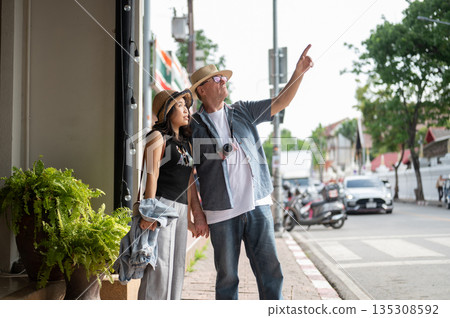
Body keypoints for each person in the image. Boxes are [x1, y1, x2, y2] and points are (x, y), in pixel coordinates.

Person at [188, 45, 313, 300]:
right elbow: (188, 174)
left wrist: (298, 73)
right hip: (221, 213)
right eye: (217, 79)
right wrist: (197, 213)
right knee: (227, 278)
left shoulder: (242, 111)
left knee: (270, 272)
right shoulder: (193, 127)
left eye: (223, 78)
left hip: (257, 205)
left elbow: (281, 101)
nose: (224, 82)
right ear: (202, 89)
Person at [137, 89, 199, 300]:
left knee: (176, 266)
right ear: (167, 112)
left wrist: (189, 217)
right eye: (180, 105)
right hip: (162, 206)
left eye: (186, 106)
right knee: (159, 266)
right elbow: (151, 175)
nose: (186, 110)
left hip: (180, 209)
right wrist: (149, 212)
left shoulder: (186, 143)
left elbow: (189, 182)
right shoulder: (157, 136)